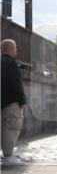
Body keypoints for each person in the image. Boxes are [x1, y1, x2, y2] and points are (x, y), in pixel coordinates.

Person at [1, 39, 27, 167]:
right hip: (11, 101)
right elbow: (17, 84)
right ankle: (8, 156)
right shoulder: (12, 64)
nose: (16, 50)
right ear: (11, 48)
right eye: (15, 48)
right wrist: (22, 100)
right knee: (11, 128)